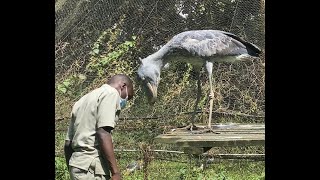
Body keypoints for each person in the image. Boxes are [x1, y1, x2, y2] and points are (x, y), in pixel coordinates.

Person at [64, 74, 134, 180]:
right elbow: (103, 133)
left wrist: (73, 167)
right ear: (123, 86)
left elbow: (68, 143)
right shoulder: (111, 93)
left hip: (77, 166)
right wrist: (115, 173)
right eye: (127, 96)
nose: (125, 100)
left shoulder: (82, 100)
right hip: (92, 168)